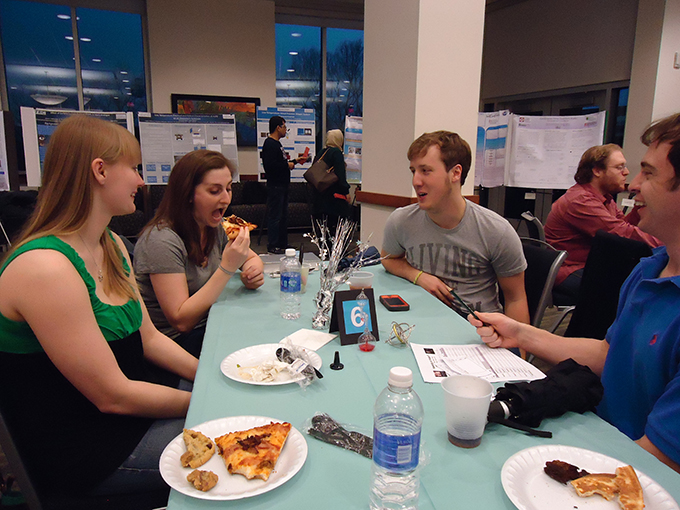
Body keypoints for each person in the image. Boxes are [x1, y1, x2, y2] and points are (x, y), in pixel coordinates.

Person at [0, 115, 198, 499]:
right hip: (88, 451)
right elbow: (113, 396)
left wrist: (208, 377)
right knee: (243, 441)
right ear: (100, 171)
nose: (141, 181)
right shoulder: (45, 267)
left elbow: (149, 339)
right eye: (134, 168)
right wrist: (208, 403)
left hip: (124, 416)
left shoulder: (110, 243)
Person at [469, 112, 680, 473]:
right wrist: (519, 332)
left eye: (649, 173)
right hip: (604, 442)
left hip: (633, 472)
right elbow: (610, 353)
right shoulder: (648, 271)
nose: (634, 184)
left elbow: (659, 462)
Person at [381, 130, 530, 324]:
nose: (416, 181)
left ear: (455, 173)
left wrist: (516, 344)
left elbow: (516, 299)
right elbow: (388, 259)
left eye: (425, 171)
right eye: (413, 171)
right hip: (422, 324)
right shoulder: (401, 220)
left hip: (478, 331)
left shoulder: (496, 231)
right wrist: (419, 276)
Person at [134, 150, 264, 357]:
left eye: (228, 189)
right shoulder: (161, 240)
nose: (226, 199)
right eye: (214, 191)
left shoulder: (216, 227)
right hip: (176, 343)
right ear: (188, 195)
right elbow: (181, 321)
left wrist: (252, 273)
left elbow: (252, 258)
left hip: (211, 322)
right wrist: (227, 268)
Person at [545, 144, 662, 302]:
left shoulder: (604, 198)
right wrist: (667, 244)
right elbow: (621, 235)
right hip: (571, 270)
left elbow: (623, 226)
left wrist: (639, 207)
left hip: (589, 266)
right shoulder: (581, 201)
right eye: (619, 167)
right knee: (637, 286)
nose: (626, 172)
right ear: (597, 171)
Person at [261, 115, 308, 254]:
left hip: (282, 185)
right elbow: (270, 166)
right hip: (276, 186)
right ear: (278, 127)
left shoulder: (277, 144)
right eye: (284, 126)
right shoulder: (270, 144)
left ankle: (283, 243)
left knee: (283, 216)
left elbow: (280, 163)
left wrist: (294, 161)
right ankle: (273, 245)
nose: (286, 129)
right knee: (275, 216)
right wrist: (288, 165)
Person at [310, 129, 351, 233]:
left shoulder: (321, 152)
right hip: (333, 198)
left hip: (319, 196)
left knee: (323, 229)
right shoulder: (336, 153)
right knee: (336, 228)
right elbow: (340, 174)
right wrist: (346, 192)